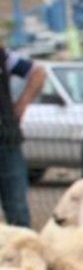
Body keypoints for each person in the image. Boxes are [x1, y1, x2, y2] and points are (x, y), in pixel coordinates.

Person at [1, 45, 46, 228]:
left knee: (18, 213)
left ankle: (22, 243)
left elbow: (38, 73)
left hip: (7, 142)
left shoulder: (3, 56)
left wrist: (22, 104)